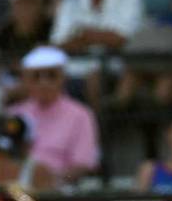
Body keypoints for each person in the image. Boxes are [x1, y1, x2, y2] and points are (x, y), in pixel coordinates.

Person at [49, 0, 145, 106]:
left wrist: (83, 36)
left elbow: (122, 39)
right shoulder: (69, 3)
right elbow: (58, 45)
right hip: (72, 73)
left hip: (115, 70)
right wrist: (96, 36)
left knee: (95, 79)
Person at [7, 46, 101, 187]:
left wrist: (50, 179)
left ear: (63, 78)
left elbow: (83, 165)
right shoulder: (14, 113)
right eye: (36, 76)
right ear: (26, 80)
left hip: (60, 188)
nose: (44, 82)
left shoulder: (81, 114)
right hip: (16, 187)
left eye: (51, 75)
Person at [0, 114, 54, 192]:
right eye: (1, 151)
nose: (5, 162)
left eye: (12, 153)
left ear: (27, 144)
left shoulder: (39, 172)